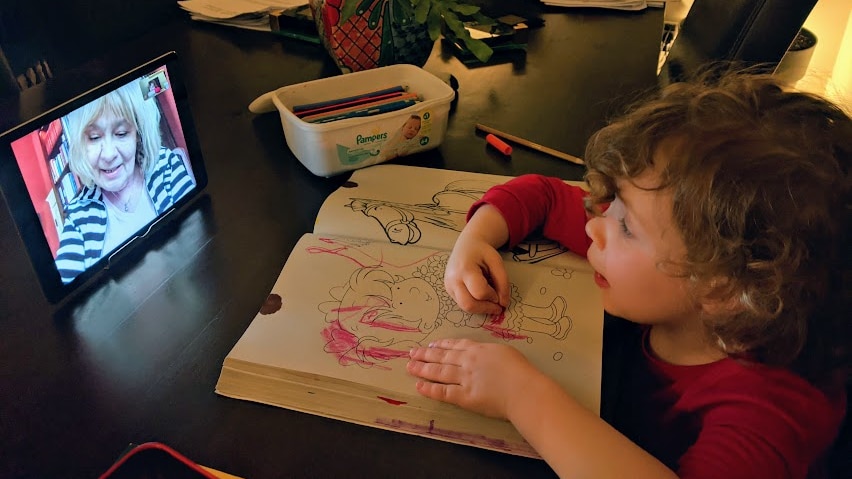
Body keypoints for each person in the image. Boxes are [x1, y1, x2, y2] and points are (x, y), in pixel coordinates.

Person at [407, 69, 850, 478]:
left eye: (625, 225)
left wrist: (522, 396)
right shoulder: (688, 258)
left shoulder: (772, 412)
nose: (595, 226)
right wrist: (477, 237)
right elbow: (543, 194)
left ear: (721, 286)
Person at [54, 80, 195, 284]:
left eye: (121, 133)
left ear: (138, 134)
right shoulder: (78, 215)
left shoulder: (168, 166)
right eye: (94, 137)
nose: (109, 154)